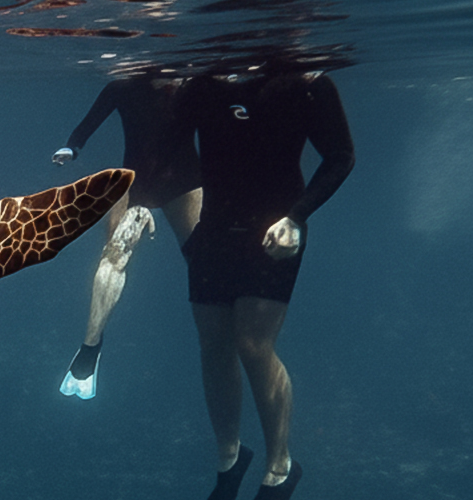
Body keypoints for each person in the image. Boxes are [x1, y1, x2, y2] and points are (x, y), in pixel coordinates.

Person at [176, 66, 355, 500]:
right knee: (212, 344)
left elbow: (340, 156)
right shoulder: (199, 83)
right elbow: (170, 152)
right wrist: (146, 203)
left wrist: (297, 217)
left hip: (277, 232)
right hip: (214, 229)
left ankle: (280, 466)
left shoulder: (304, 82)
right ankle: (230, 458)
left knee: (253, 346)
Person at [51, 72, 203, 399]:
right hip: (136, 184)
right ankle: (89, 348)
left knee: (202, 259)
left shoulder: (196, 84)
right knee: (112, 259)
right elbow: (88, 124)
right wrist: (71, 148)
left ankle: (220, 334)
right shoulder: (125, 86)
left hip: (185, 183)